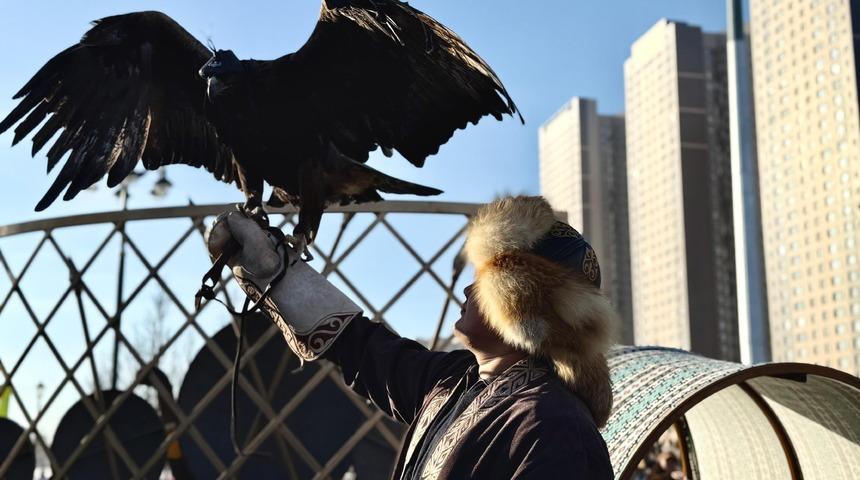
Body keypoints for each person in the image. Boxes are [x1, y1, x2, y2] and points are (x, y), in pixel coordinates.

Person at [206, 195, 616, 479]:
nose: (468, 292)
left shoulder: (555, 428)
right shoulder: (456, 379)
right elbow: (362, 348)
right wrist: (272, 272)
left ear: (519, 303)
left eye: (484, 281)